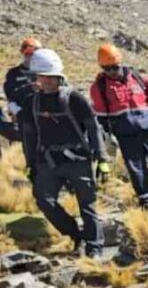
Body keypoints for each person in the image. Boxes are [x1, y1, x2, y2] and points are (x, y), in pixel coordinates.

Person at [20, 49, 107, 257]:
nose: (48, 81)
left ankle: (95, 248)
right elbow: (29, 135)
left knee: (87, 205)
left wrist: (102, 159)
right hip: (47, 161)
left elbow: (93, 128)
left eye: (51, 77)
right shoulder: (32, 102)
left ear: (60, 76)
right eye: (43, 76)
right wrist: (31, 163)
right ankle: (75, 235)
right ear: (36, 77)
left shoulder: (74, 98)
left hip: (78, 160)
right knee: (44, 200)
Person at [90, 43, 148, 212]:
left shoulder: (139, 78)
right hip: (126, 137)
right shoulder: (99, 87)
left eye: (114, 67)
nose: (111, 72)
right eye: (106, 68)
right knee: (137, 172)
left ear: (120, 62)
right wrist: (106, 144)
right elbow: (100, 120)